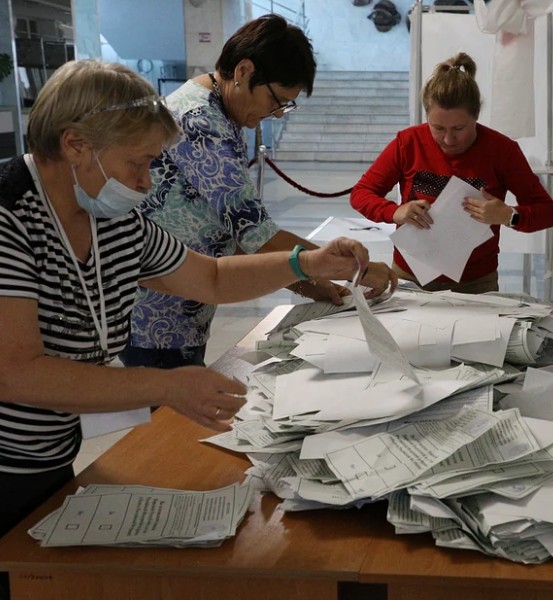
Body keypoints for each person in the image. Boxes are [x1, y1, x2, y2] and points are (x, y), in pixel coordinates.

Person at [0, 59, 395, 594]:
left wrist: (307, 264)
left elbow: (208, 276)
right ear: (74, 145)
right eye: (137, 163)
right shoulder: (10, 216)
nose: (144, 182)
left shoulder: (113, 218)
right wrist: (168, 384)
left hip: (46, 454)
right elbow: (15, 373)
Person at [120, 14, 396, 369]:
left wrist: (306, 283)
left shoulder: (221, 112)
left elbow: (229, 230)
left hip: (183, 307)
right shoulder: (201, 122)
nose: (278, 114)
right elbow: (257, 234)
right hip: (157, 317)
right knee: (175, 420)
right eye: (277, 100)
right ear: (244, 71)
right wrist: (357, 268)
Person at [349, 52, 553, 294]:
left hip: (476, 282)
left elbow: (546, 212)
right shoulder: (408, 142)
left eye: (459, 128)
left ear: (476, 115)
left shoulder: (502, 150)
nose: (448, 139)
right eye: (437, 128)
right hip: (411, 275)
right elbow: (361, 194)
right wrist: (395, 211)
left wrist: (510, 215)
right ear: (426, 116)